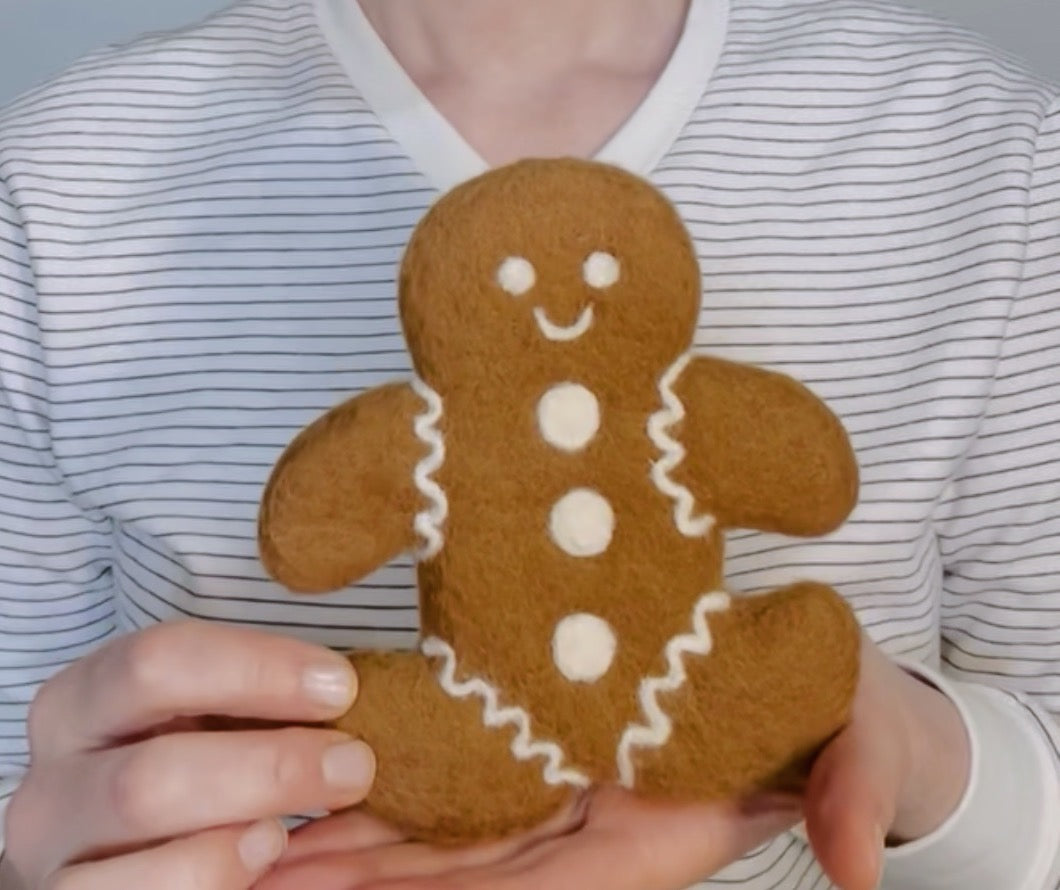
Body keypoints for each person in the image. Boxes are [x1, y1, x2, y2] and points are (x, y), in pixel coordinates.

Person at [0, 0, 1057, 887]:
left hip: (683, 682)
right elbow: (310, 535)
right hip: (474, 713)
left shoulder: (991, 154)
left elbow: (808, 478)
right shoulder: (55, 180)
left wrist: (919, 758)